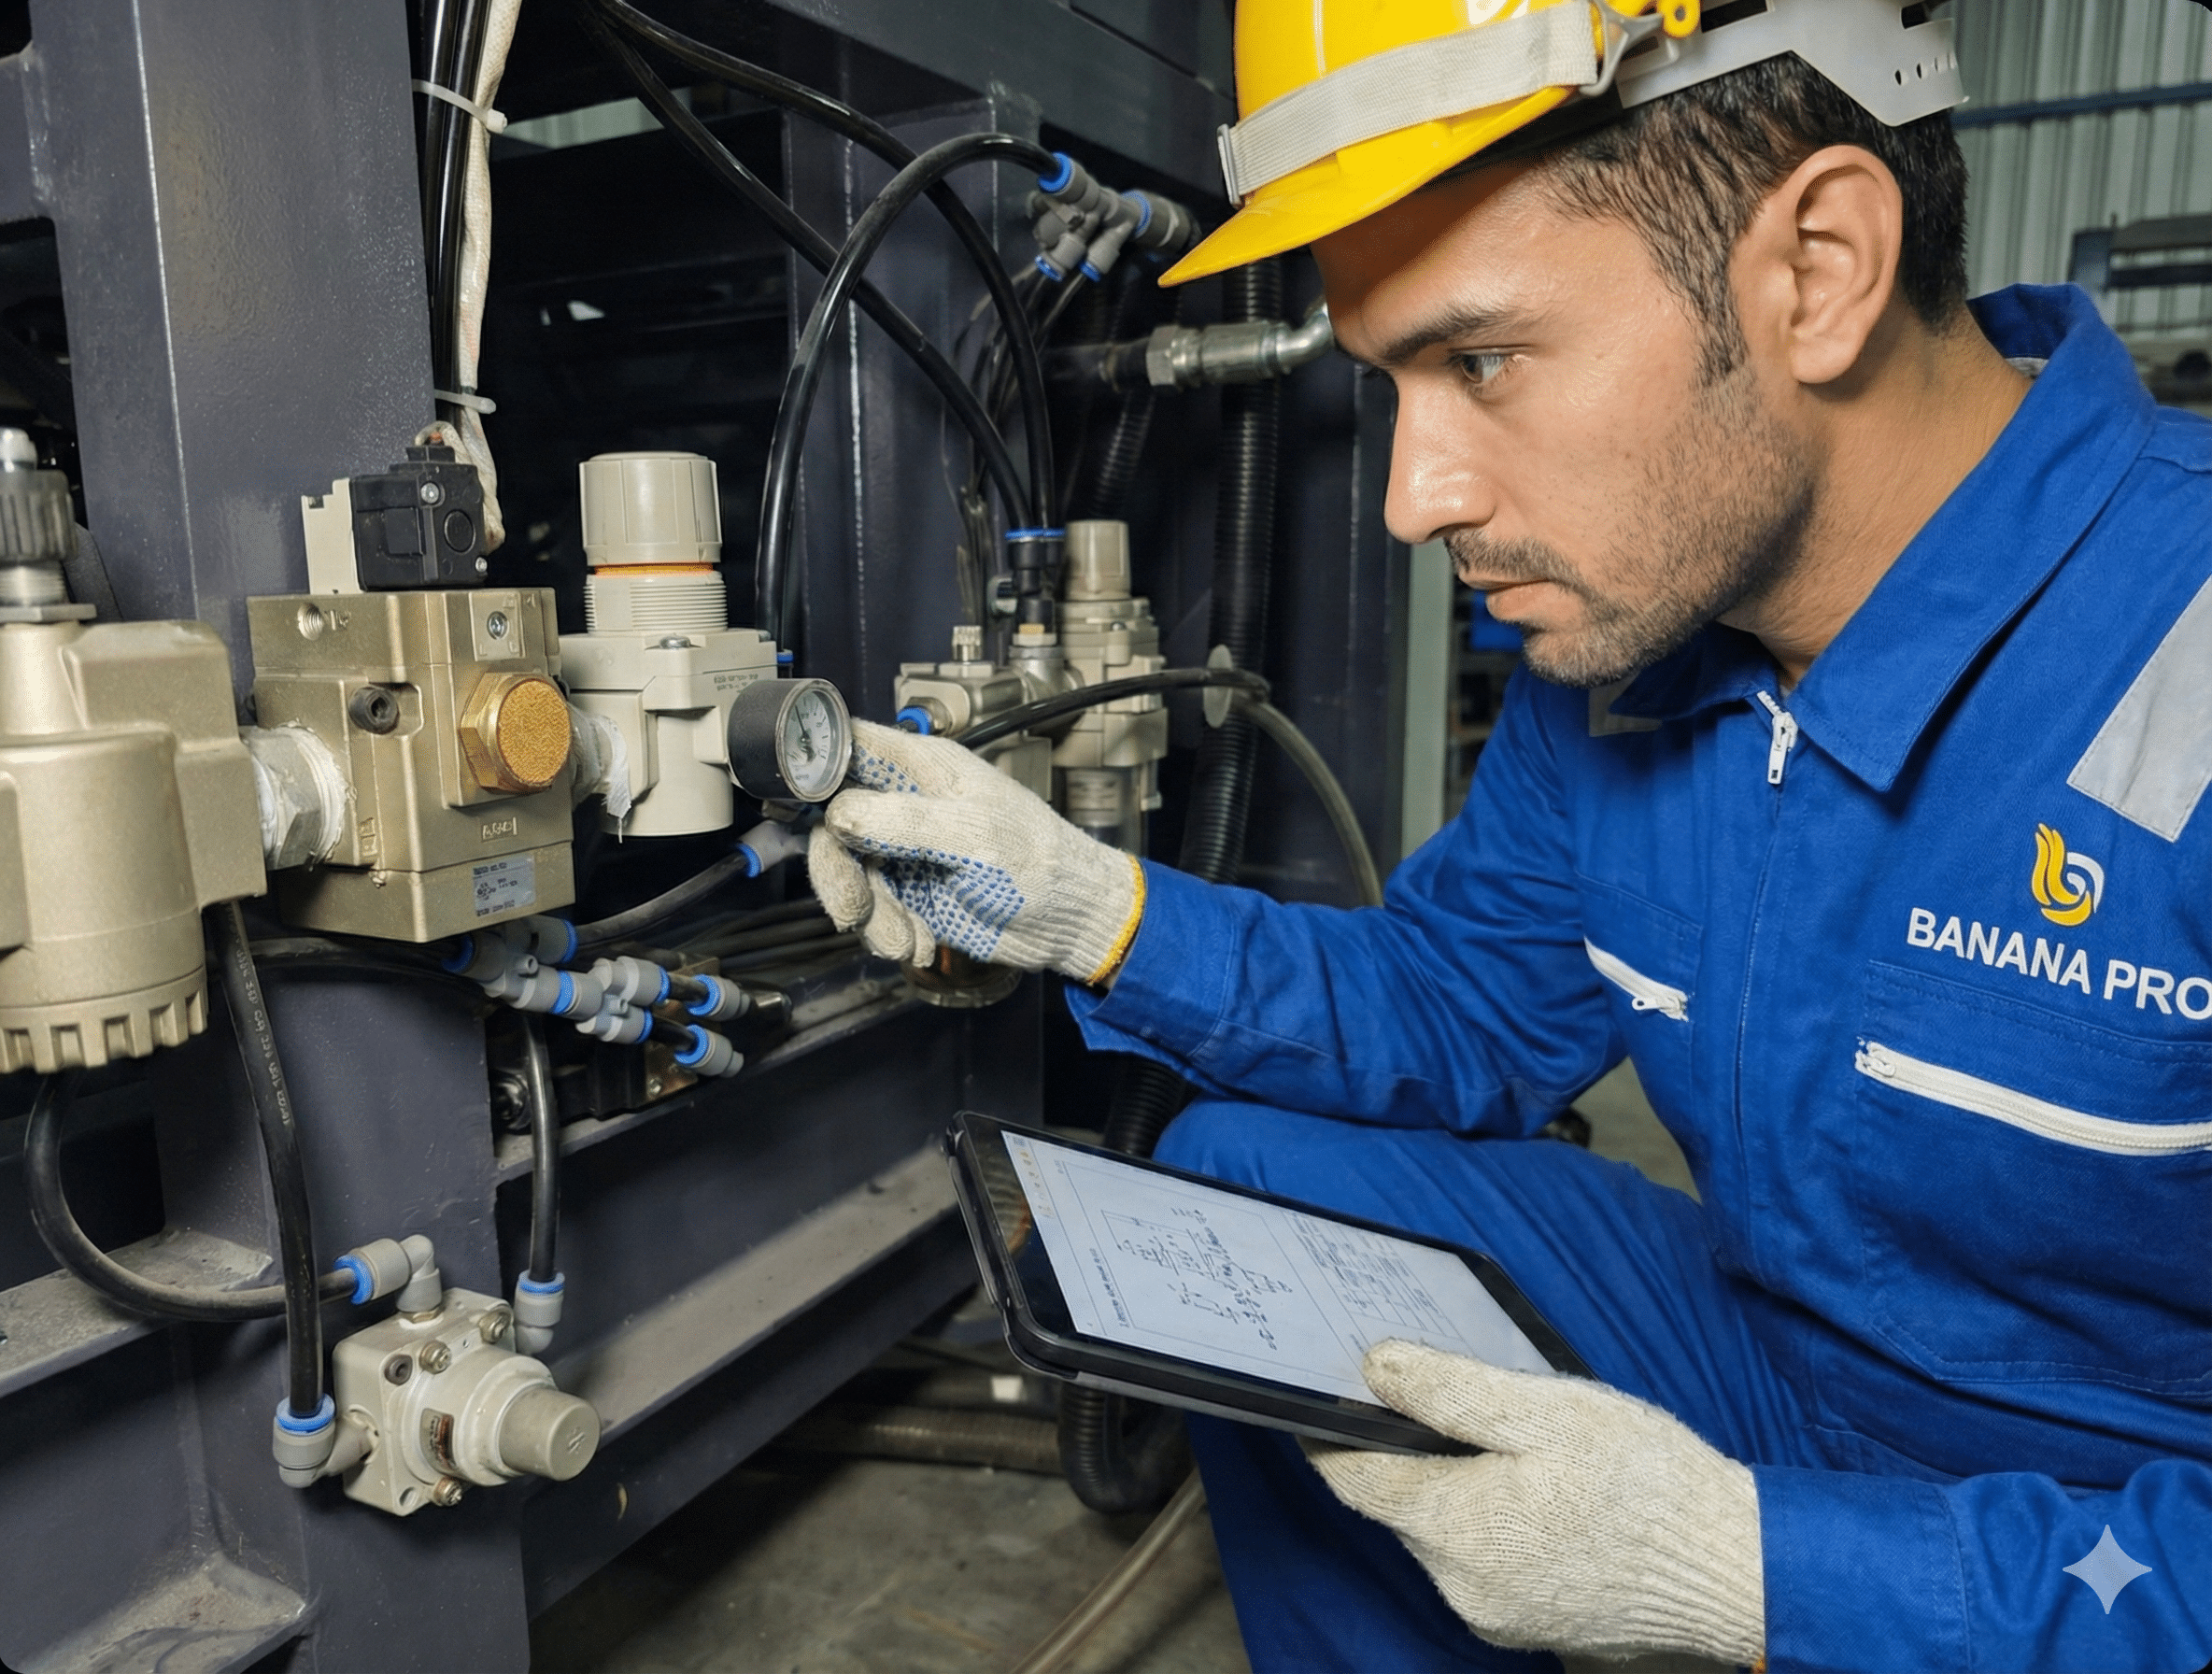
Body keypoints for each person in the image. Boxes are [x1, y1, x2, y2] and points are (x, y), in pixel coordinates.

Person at [804, 2, 2212, 1667]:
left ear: (1819, 266)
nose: (1415, 498)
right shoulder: (1643, 641)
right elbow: (1461, 1008)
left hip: (2124, 1503)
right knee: (1240, 1194)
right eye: (1391, 380)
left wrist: (1743, 1567)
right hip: (1776, 1354)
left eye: (1479, 361)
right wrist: (1086, 910)